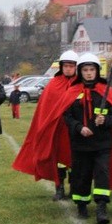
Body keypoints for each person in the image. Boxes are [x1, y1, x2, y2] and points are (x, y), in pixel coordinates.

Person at [37, 53, 112, 224]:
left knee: (102, 173)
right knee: (82, 175)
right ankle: (81, 204)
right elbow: (67, 116)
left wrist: (105, 120)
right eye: (85, 70)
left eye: (92, 70)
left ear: (97, 71)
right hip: (80, 144)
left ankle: (102, 207)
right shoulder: (72, 92)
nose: (89, 73)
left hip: (102, 143)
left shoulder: (106, 92)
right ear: (80, 72)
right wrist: (79, 128)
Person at [13, 50, 79, 200]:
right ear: (61, 67)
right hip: (57, 130)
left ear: (76, 67)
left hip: (75, 130)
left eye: (71, 66)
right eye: (66, 66)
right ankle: (59, 188)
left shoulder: (80, 84)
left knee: (75, 160)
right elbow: (45, 108)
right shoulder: (53, 85)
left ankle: (75, 189)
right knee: (59, 161)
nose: (68, 69)